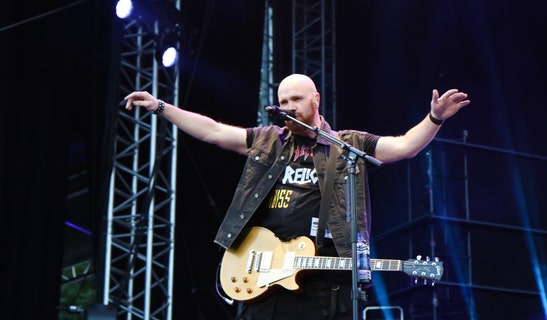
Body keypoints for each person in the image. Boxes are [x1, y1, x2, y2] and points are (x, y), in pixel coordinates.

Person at [124, 74, 470, 320]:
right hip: (261, 277)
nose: (288, 107)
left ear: (315, 100)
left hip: (320, 288)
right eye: (283, 101)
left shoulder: (348, 145)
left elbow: (405, 146)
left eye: (296, 100)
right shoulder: (267, 140)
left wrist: (434, 118)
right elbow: (213, 131)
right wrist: (161, 107)